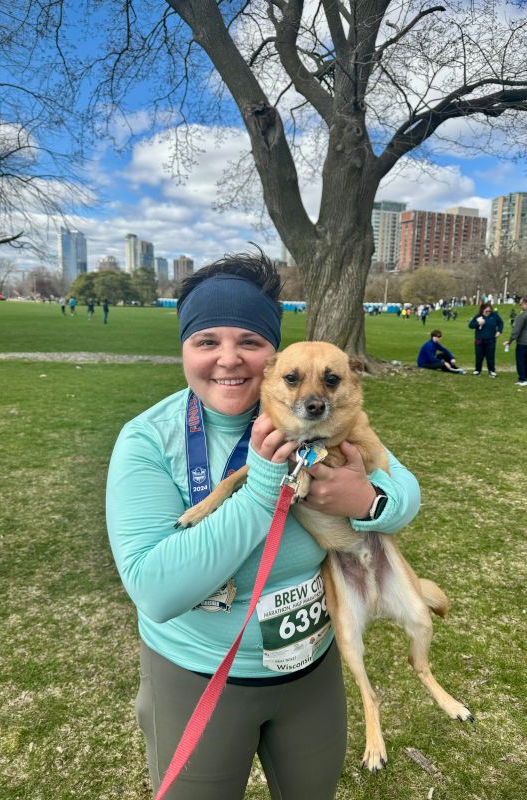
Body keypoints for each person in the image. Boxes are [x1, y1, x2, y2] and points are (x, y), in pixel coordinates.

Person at [106, 251, 421, 800]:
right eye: (206, 341)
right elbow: (155, 589)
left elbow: (406, 494)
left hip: (310, 669)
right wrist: (259, 489)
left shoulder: (308, 419)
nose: (229, 360)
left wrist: (368, 500)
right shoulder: (148, 440)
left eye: (249, 342)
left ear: (273, 359)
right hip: (198, 674)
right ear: (183, 349)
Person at [468, 302, 504, 378]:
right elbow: (470, 325)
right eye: (486, 311)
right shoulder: (478, 316)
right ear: (482, 310)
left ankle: (492, 371)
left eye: (489, 311)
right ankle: (477, 370)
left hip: (491, 340)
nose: (488, 313)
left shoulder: (495, 316)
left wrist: (499, 331)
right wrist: (478, 324)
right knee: (479, 356)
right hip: (479, 340)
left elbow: (501, 323)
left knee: (490, 356)